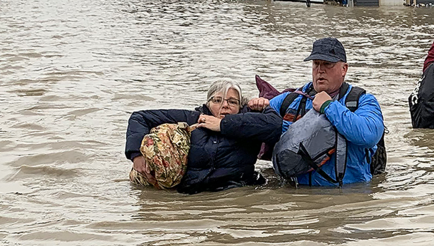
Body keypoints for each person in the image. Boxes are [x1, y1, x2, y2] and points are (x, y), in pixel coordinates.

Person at [248, 37, 384, 186]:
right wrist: (256, 108)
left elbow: (369, 135)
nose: (320, 70)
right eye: (316, 64)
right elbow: (251, 125)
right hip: (296, 198)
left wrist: (329, 106)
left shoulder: (362, 100)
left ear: (344, 69)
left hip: (348, 197)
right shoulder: (290, 100)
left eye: (328, 64)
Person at [126, 80, 282, 194]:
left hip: (235, 194)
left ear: (240, 107)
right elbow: (140, 117)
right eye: (217, 100)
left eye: (232, 102)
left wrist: (222, 124)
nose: (225, 105)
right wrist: (136, 155)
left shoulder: (249, 121)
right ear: (208, 104)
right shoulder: (193, 118)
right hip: (191, 195)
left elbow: (274, 126)